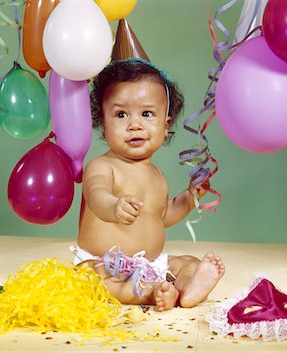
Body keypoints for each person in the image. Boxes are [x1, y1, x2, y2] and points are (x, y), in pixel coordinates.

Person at [71, 58, 225, 311]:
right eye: (121, 114)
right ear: (103, 123)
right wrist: (113, 207)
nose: (134, 124)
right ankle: (152, 292)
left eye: (147, 113)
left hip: (148, 264)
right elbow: (96, 194)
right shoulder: (101, 166)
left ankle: (189, 283)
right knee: (88, 279)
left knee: (186, 261)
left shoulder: (156, 175)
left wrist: (189, 197)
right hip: (104, 263)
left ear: (165, 126)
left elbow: (161, 216)